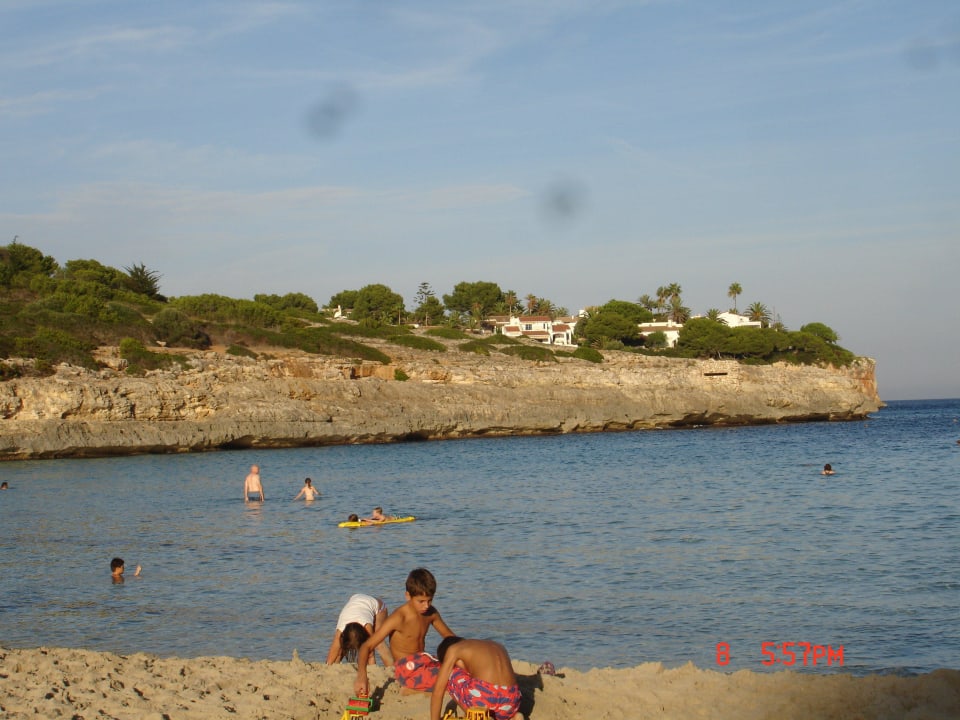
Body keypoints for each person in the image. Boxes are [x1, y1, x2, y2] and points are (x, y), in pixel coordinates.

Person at [353, 568, 454, 697]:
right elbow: (366, 646)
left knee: (458, 669)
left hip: (424, 662)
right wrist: (361, 676)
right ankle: (410, 689)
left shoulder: (430, 613)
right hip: (406, 668)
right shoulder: (399, 617)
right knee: (448, 679)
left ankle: (422, 686)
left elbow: (449, 637)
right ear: (408, 596)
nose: (426, 606)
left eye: (430, 600)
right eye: (421, 601)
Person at [430, 637, 521, 720]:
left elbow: (438, 691)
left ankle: (481, 716)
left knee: (450, 676)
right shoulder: (496, 644)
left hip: (484, 699)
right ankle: (513, 717)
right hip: (512, 700)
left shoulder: (454, 649)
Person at [326, 594, 393, 666]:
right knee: (340, 649)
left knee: (379, 642)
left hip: (379, 608)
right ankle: (336, 668)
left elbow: (371, 656)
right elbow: (332, 653)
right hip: (357, 602)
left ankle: (392, 668)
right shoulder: (341, 630)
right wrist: (327, 667)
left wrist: (372, 669)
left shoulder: (367, 627)